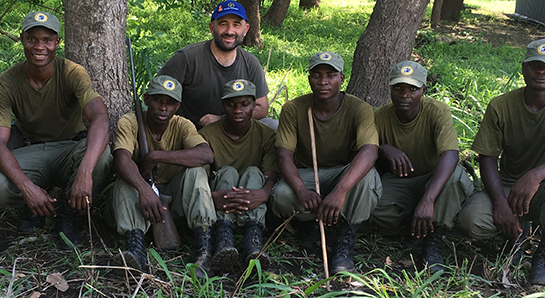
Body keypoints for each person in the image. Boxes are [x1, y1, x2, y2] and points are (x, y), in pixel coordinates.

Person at [457, 38, 545, 285]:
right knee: (471, 221)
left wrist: (535, 176)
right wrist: (500, 204)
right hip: (510, 187)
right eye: (535, 65)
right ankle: (517, 233)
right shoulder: (501, 105)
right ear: (523, 68)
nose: (542, 71)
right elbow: (487, 157)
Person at [0, 11, 113, 246]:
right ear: (22, 39)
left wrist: (84, 173)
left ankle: (69, 212)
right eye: (32, 39)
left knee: (102, 156)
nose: (39, 46)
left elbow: (101, 119)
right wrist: (26, 187)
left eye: (47, 40)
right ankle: (34, 203)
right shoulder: (5, 82)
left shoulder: (72, 73)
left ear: (57, 43)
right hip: (31, 149)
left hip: (70, 147)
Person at [270, 51, 381, 273]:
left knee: (367, 177)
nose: (323, 82)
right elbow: (283, 155)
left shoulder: (359, 109)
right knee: (281, 195)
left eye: (330, 75)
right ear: (309, 78)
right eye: (316, 75)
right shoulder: (293, 109)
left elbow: (369, 151)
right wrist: (301, 190)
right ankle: (311, 222)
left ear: (342, 79)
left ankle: (345, 237)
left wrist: (340, 191)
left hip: (343, 171)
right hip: (308, 172)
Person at [366, 61, 474, 271]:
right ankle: (412, 224)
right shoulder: (380, 116)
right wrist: (384, 148)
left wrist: (428, 198)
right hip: (401, 181)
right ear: (390, 89)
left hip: (434, 178)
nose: (404, 95)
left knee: (453, 178)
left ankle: (433, 239)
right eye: (398, 88)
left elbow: (450, 155)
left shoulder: (437, 112)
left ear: (423, 90)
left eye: (412, 89)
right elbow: (362, 147)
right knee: (372, 206)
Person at [105, 75, 216, 277]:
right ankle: (136, 249)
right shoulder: (130, 121)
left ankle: (204, 250)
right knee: (124, 181)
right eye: (158, 100)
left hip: (173, 198)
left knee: (197, 173)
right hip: (139, 200)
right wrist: (144, 189)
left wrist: (156, 156)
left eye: (170, 103)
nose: (163, 107)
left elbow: (206, 155)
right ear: (146, 99)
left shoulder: (183, 125)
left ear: (178, 106)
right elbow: (121, 159)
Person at [199, 79, 278, 272]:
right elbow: (200, 176)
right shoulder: (206, 135)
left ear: (253, 105)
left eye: (244, 104)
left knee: (253, 172)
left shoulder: (266, 135)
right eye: (231, 105)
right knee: (227, 171)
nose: (237, 110)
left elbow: (270, 175)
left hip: (253, 193)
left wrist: (264, 193)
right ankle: (224, 237)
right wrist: (211, 196)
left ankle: (253, 240)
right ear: (222, 106)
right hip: (221, 194)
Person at [158, 0, 273, 129]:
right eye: (223, 24)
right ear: (212, 28)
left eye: (236, 25)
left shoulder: (250, 63)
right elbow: (157, 98)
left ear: (245, 29)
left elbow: (262, 108)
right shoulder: (186, 58)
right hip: (191, 134)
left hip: (233, 130)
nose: (230, 31)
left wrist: (222, 120)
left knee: (273, 126)